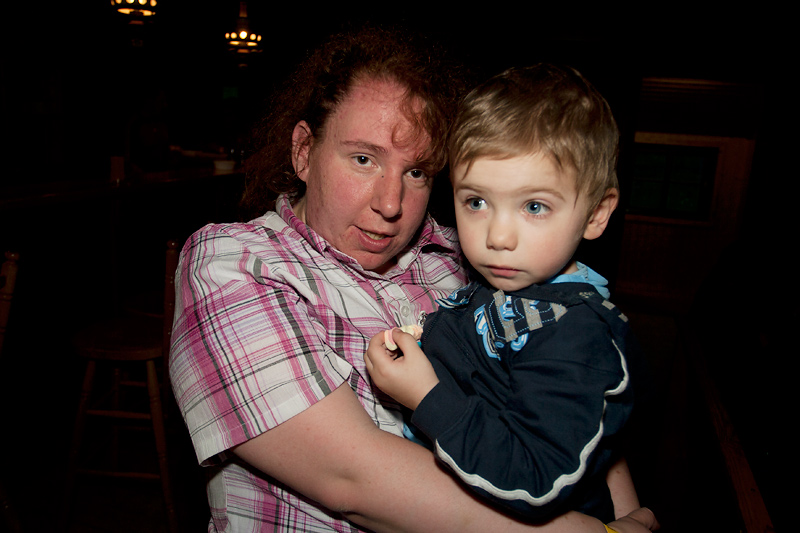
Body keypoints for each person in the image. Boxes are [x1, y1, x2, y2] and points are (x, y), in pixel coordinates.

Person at [169, 26, 658, 533]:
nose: (390, 203)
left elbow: (573, 401)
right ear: (303, 151)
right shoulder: (236, 263)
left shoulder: (466, 258)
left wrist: (625, 515)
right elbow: (353, 479)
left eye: (417, 172)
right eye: (364, 159)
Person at [365, 64, 640, 523]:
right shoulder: (503, 286)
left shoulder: (578, 337)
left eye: (534, 206)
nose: (497, 236)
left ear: (596, 214)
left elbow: (534, 478)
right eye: (476, 202)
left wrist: (426, 396)